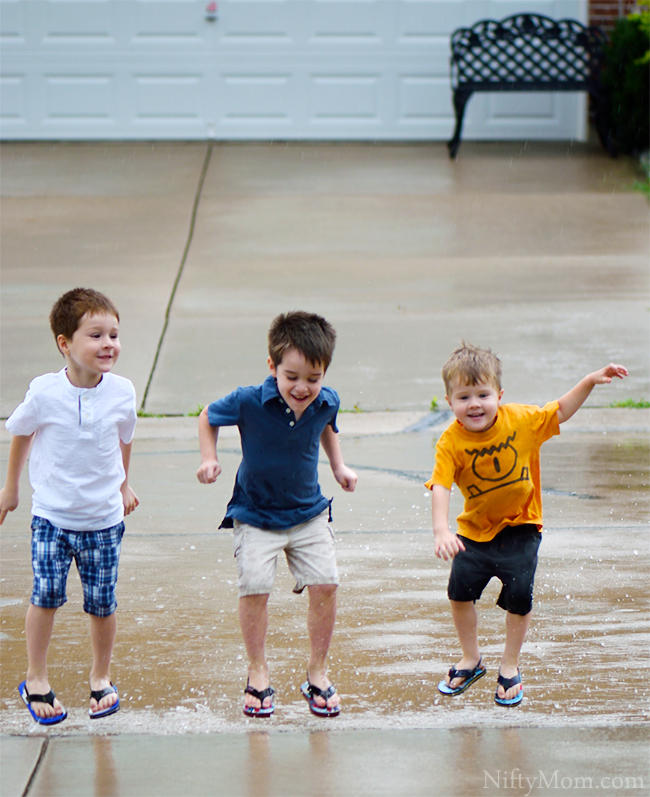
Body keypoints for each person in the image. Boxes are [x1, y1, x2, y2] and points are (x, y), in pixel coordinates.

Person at [426, 342, 627, 706]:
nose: (474, 404)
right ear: (448, 400)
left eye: (483, 394)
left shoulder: (521, 420)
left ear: (499, 395)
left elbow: (561, 410)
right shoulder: (450, 441)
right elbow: (440, 484)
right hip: (474, 531)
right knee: (458, 593)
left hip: (522, 526)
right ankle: (471, 659)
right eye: (464, 396)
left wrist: (590, 380)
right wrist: (441, 529)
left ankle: (509, 664)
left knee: (519, 596)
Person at [197, 311, 357, 718]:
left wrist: (338, 467)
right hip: (255, 513)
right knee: (254, 586)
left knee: (327, 584)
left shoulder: (327, 399)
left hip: (307, 513)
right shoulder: (249, 400)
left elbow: (328, 425)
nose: (302, 388)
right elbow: (207, 416)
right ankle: (257, 672)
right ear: (272, 367)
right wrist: (209, 458)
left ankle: (317, 672)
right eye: (292, 377)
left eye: (313, 378)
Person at [0, 288, 138, 724]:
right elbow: (21, 432)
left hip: (103, 519)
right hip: (53, 517)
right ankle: (35, 677)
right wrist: (11, 489)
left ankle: (101, 677)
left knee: (103, 603)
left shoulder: (122, 391)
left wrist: (124, 485)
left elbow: (124, 438)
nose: (108, 344)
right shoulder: (44, 392)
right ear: (65, 343)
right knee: (46, 595)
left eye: (114, 334)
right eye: (95, 335)